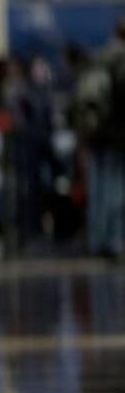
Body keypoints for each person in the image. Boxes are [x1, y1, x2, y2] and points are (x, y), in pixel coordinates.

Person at [73, 23, 125, 258]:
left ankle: (96, 239)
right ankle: (114, 238)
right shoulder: (121, 59)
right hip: (116, 134)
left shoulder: (98, 57)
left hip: (94, 134)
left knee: (98, 187)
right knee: (116, 187)